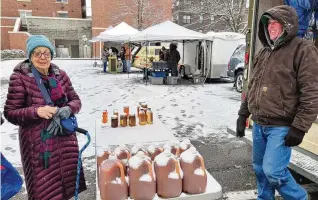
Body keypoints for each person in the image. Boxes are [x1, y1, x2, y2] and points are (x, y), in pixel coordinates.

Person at [236, 5, 318, 200]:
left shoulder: (303, 49)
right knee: (260, 169)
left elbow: (312, 92)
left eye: (275, 23)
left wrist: (299, 127)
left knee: (273, 171)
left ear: (287, 25)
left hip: (281, 126)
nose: (271, 27)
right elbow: (253, 87)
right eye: (268, 24)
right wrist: (243, 114)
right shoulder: (264, 53)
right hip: (260, 124)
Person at [4, 35, 87, 200]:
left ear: (51, 54)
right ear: (30, 56)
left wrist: (68, 109)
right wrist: (36, 111)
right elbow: (10, 112)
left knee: (66, 186)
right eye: (37, 53)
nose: (42, 57)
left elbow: (76, 100)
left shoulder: (60, 75)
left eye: (46, 53)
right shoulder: (20, 77)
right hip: (40, 146)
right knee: (45, 191)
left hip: (65, 140)